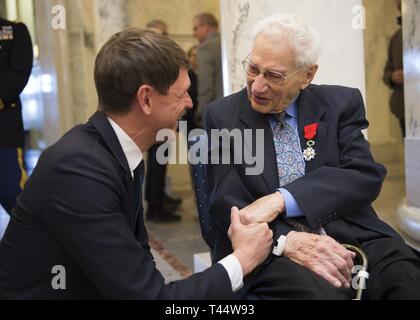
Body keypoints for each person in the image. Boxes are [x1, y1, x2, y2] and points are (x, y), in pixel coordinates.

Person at [0, 28, 273, 299]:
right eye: (182, 94)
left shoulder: (116, 153)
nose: (190, 103)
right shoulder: (78, 170)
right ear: (146, 99)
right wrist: (242, 260)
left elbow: (141, 270)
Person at [205, 13, 420, 299]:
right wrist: (285, 240)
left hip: (349, 229)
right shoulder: (223, 116)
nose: (256, 86)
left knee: (405, 277)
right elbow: (226, 202)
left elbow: (363, 175)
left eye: (274, 75)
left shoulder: (340, 103)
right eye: (253, 69)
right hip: (276, 246)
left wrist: (282, 198)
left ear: (307, 75)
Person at [144, 19, 183, 222]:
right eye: (163, 34)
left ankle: (155, 202)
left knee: (157, 163)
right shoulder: (154, 60)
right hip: (160, 118)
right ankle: (155, 206)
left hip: (157, 117)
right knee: (158, 162)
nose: (166, 38)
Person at [0, 18, 33, 215]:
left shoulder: (13, 31)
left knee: (13, 191)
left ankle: (36, 242)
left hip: (4, 130)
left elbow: (19, 72)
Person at [193, 12, 223, 127]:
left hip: (214, 113)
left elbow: (205, 86)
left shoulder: (206, 47)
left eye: (196, 28)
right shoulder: (226, 43)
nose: (194, 34)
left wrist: (201, 113)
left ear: (206, 27)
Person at [383, 0, 405, 138]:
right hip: (403, 107)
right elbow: (386, 72)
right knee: (413, 155)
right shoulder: (396, 38)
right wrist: (392, 76)